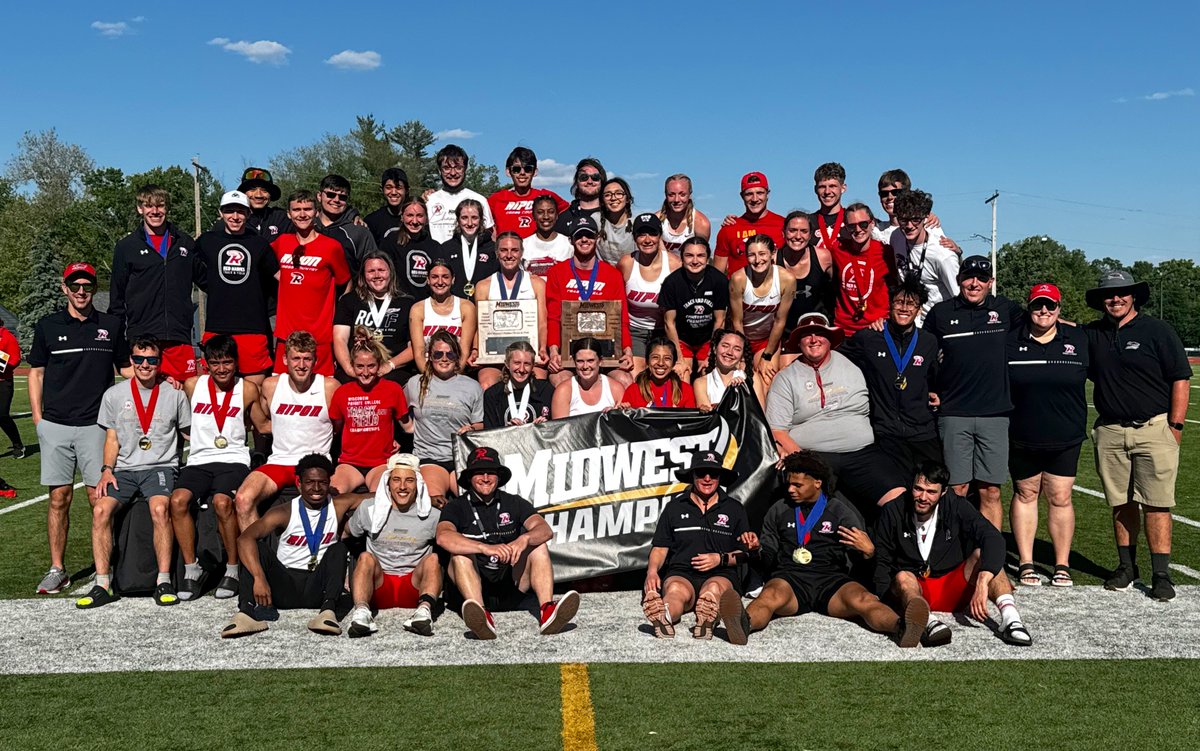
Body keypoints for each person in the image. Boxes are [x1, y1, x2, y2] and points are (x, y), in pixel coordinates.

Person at [718, 450, 927, 648]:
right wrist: (756, 550)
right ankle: (743, 624)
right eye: (789, 484)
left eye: (798, 485)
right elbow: (768, 559)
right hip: (790, 580)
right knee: (769, 595)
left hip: (831, 581)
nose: (790, 489)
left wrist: (869, 552)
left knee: (864, 600)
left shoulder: (840, 512)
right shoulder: (779, 509)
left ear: (817, 482)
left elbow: (864, 566)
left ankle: (902, 628)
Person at [1083, 270, 1191, 601]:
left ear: (1133, 297)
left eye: (1122, 293)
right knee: (1121, 503)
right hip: (1110, 430)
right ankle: (1127, 568)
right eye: (1109, 294)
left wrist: (1175, 427)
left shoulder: (1157, 330)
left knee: (1157, 504)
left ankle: (1161, 574)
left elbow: (1180, 377)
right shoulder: (1093, 333)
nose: (1115, 299)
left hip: (1153, 428)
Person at [29, 263, 130, 595]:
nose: (81, 291)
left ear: (93, 289)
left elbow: (126, 368)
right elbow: (37, 373)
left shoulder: (111, 325)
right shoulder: (48, 326)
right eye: (75, 286)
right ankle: (57, 569)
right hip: (56, 425)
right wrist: (38, 418)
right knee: (59, 498)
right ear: (65, 288)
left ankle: (110, 566)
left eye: (87, 285)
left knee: (98, 499)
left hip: (95, 426)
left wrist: (159, 379)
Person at [75, 338, 192, 609]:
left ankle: (164, 581)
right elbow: (112, 438)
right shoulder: (114, 395)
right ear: (131, 361)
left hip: (160, 467)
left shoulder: (174, 393)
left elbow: (189, 432)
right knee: (100, 510)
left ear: (159, 362)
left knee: (160, 508)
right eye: (139, 359)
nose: (145, 365)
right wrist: (107, 470)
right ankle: (102, 583)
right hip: (125, 470)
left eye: (151, 360)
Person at [872, 460, 1032, 646]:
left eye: (931, 492)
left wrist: (983, 580)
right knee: (902, 576)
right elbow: (882, 560)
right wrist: (886, 601)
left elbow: (992, 537)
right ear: (911, 486)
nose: (923, 497)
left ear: (943, 492)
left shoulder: (956, 505)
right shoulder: (893, 510)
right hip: (915, 591)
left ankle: (1011, 619)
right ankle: (926, 621)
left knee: (984, 556)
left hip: (953, 587)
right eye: (918, 489)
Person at [767, 313, 906, 515]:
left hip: (861, 452)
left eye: (820, 333)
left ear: (830, 338)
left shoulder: (853, 363)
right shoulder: (786, 378)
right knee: (819, 506)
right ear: (798, 342)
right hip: (814, 454)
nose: (813, 339)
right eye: (806, 335)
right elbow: (777, 430)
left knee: (898, 498)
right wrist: (804, 460)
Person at [436, 446, 580, 639]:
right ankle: (481, 617)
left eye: (491, 473)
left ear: (499, 477)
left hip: (509, 585)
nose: (485, 478)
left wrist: (524, 539)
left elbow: (544, 530)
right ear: (469, 477)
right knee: (459, 555)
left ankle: (547, 611)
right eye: (479, 472)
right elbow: (443, 536)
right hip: (472, 589)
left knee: (538, 546)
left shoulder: (514, 502)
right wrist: (484, 548)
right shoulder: (456, 506)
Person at [922, 255, 1024, 529]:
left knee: (990, 491)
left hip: (995, 414)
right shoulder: (941, 313)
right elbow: (922, 354)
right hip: (954, 413)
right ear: (959, 280)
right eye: (968, 277)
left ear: (991, 282)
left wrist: (1077, 331)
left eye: (981, 278)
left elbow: (1042, 324)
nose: (974, 283)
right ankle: (954, 546)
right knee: (957, 489)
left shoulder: (1005, 309)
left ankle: (990, 548)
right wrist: (930, 389)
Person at [170, 335, 272, 601]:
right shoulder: (193, 385)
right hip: (199, 460)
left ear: (236, 363)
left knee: (222, 502)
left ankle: (233, 568)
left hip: (233, 460)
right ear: (206, 364)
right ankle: (191, 568)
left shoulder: (247, 389)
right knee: (178, 501)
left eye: (227, 362)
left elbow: (263, 425)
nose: (221, 369)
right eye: (215, 363)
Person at [1006, 283, 1089, 587]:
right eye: (1038, 305)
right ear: (1028, 308)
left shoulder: (1079, 339)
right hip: (1022, 435)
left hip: (1065, 436)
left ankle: (1061, 564)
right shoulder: (1010, 341)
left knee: (1060, 497)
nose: (1044, 310)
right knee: (1026, 494)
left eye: (1050, 305)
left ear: (1059, 309)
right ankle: (1026, 562)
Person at [221, 454, 356, 638]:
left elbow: (376, 497)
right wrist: (259, 577)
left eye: (322, 482)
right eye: (310, 482)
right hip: (285, 585)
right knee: (256, 548)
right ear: (299, 483)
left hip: (318, 588)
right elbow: (244, 539)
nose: (316, 488)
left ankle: (328, 612)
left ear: (329, 483)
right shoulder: (283, 512)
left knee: (338, 549)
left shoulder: (338, 505)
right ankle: (246, 613)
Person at [642, 450, 754, 640]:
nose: (707, 479)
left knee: (712, 590)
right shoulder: (674, 507)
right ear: (692, 476)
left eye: (713, 474)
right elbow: (660, 547)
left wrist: (720, 559)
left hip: (721, 573)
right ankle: (663, 615)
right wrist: (652, 572)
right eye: (701, 473)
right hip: (681, 572)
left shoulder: (735, 509)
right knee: (675, 591)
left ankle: (707, 618)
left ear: (720, 477)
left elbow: (746, 554)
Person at [233, 331, 337, 531]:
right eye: (296, 358)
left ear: (315, 361)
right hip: (280, 461)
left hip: (315, 462)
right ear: (284, 360)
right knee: (243, 499)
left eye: (307, 359)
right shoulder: (271, 386)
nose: (301, 365)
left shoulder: (329, 387)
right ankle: (257, 551)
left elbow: (340, 426)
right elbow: (264, 424)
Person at [840, 277, 942, 477]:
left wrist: (937, 394)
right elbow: (833, 356)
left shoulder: (928, 341)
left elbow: (935, 378)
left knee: (932, 484)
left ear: (919, 309)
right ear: (890, 305)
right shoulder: (869, 338)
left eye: (911, 304)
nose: (904, 308)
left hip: (922, 431)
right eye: (899, 302)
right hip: (885, 432)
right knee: (895, 486)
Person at [346, 453, 444, 637]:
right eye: (396, 480)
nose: (402, 486)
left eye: (409, 480)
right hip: (378, 586)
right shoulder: (368, 509)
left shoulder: (433, 515)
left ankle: (424, 613)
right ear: (387, 483)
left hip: (414, 587)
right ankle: (361, 613)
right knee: (365, 557)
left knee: (433, 559)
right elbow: (346, 534)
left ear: (418, 484)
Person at [109, 184, 199, 382]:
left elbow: (209, 281)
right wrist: (119, 345)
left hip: (178, 336)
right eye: (149, 206)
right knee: (147, 397)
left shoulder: (185, 243)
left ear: (167, 208)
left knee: (184, 393)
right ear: (140, 208)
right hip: (143, 338)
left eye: (160, 205)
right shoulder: (126, 247)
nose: (155, 211)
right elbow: (117, 299)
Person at [195, 190, 279, 384]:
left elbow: (278, 277)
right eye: (229, 211)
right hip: (217, 327)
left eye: (240, 211)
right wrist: (213, 285)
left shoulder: (259, 243)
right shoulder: (207, 241)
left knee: (253, 391)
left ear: (248, 213)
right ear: (221, 213)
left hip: (253, 328)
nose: (235, 216)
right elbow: (190, 267)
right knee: (214, 391)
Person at [544, 215, 635, 388]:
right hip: (569, 354)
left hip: (604, 354)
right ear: (571, 240)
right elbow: (554, 317)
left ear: (597, 238)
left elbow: (621, 318)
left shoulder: (612, 274)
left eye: (589, 235)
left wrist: (627, 350)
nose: (584, 239)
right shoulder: (557, 272)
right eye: (579, 236)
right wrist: (554, 351)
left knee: (625, 380)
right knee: (560, 380)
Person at [271, 189, 352, 376]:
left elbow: (346, 282)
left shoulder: (331, 246)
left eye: (307, 209)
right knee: (280, 389)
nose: (302, 214)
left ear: (316, 212)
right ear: (288, 214)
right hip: (286, 335)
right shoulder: (281, 242)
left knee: (322, 390)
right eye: (296, 209)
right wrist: (281, 277)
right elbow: (260, 259)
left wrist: (341, 315)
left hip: (319, 336)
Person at [330, 329, 415, 495]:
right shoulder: (342, 392)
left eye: (371, 366)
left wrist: (397, 441)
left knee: (379, 496)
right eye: (360, 366)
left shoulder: (392, 389)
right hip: (350, 463)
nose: (366, 372)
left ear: (379, 365)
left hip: (380, 463)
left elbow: (408, 427)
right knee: (334, 494)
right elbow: (335, 429)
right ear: (352, 365)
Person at [404, 331, 484, 498]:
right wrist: (408, 427)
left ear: (458, 356)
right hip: (429, 456)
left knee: (471, 498)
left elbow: (480, 423)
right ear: (430, 356)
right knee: (435, 498)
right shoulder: (415, 383)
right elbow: (397, 408)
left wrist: (472, 428)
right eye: (438, 354)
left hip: (461, 456)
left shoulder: (472, 386)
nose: (444, 358)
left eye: (450, 354)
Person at [472, 232, 548, 390]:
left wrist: (542, 347)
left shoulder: (536, 283)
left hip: (527, 354)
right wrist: (475, 350)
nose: (509, 255)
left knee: (539, 382)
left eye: (514, 250)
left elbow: (542, 323)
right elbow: (480, 326)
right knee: (486, 384)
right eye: (503, 250)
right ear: (496, 253)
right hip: (496, 357)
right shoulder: (483, 286)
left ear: (521, 253)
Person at [333, 251, 416, 385]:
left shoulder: (407, 303)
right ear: (363, 275)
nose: (377, 275)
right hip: (356, 371)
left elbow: (416, 346)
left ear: (391, 272)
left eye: (381, 270)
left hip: (393, 371)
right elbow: (339, 338)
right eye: (371, 271)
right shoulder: (349, 301)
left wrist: (390, 365)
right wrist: (349, 368)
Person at [729, 234, 795, 402]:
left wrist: (766, 356)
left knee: (766, 380)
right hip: (741, 337)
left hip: (766, 340)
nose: (757, 260)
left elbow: (780, 321)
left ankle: (763, 418)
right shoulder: (738, 279)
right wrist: (741, 353)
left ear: (773, 253)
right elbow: (737, 321)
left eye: (762, 254)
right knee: (738, 379)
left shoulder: (787, 279)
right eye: (752, 255)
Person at [659, 237, 729, 382]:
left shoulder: (719, 281)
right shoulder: (671, 282)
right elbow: (669, 323)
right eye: (689, 255)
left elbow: (720, 320)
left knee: (709, 374)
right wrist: (679, 359)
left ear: (707, 259)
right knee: (681, 374)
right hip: (681, 339)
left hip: (708, 338)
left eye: (700, 255)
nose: (695, 261)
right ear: (682, 258)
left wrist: (711, 355)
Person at [619, 213, 680, 373]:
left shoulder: (674, 264)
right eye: (641, 234)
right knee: (635, 374)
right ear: (634, 237)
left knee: (670, 373)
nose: (647, 240)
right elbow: (617, 302)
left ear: (660, 236)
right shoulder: (626, 263)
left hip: (665, 330)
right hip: (635, 331)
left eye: (652, 234)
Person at [888, 189, 959, 323]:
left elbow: (959, 296)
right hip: (910, 320)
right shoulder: (896, 237)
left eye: (915, 219)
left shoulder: (942, 255)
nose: (909, 226)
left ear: (925, 217)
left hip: (938, 322)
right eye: (903, 220)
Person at [828, 203, 895, 336]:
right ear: (846, 228)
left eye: (863, 224)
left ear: (872, 223)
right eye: (852, 226)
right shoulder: (837, 250)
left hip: (876, 328)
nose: (858, 230)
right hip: (844, 329)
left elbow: (896, 286)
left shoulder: (885, 251)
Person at [408, 259, 478, 372]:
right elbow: (419, 352)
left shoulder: (466, 307)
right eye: (434, 277)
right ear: (428, 280)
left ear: (453, 279)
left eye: (445, 277)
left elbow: (464, 351)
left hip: (456, 371)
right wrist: (429, 377)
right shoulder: (418, 309)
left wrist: (454, 376)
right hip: (427, 371)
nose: (440, 282)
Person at [713, 171, 784, 276]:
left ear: (767, 194)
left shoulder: (784, 225)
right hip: (739, 286)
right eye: (749, 194)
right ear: (742, 196)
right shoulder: (729, 229)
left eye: (760, 193)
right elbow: (716, 276)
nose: (755, 199)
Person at [488, 146, 569, 238]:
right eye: (516, 169)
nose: (522, 173)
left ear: (535, 172)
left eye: (528, 169)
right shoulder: (496, 199)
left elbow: (570, 215)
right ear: (508, 172)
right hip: (508, 247)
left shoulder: (546, 196)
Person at [426, 144, 495, 243]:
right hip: (437, 253)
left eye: (458, 168)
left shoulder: (480, 200)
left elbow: (491, 234)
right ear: (439, 170)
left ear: (465, 169)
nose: (453, 173)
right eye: (446, 168)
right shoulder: (429, 200)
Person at [777, 211, 833, 327]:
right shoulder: (773, 260)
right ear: (783, 233)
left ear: (810, 235)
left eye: (804, 231)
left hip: (817, 327)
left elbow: (837, 290)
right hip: (784, 328)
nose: (798, 236)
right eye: (792, 230)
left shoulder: (823, 257)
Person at [314, 174, 379, 275]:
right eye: (331, 195)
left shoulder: (359, 232)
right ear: (319, 196)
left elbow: (373, 268)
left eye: (342, 197)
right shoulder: (306, 227)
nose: (336, 200)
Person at [483, 342, 554, 428]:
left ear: (533, 366)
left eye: (527, 364)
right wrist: (507, 430)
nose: (521, 369)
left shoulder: (546, 391)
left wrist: (542, 428)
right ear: (507, 364)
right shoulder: (493, 395)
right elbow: (490, 433)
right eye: (517, 363)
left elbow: (556, 429)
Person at [436, 199, 497, 299]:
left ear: (481, 219)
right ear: (458, 220)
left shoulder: (492, 248)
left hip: (483, 304)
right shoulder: (446, 248)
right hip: (455, 305)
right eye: (464, 218)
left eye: (474, 218)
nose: (469, 223)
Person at [382, 198, 440, 301]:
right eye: (410, 215)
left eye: (419, 216)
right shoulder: (390, 242)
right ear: (402, 217)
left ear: (426, 218)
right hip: (398, 302)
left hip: (426, 304)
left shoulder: (434, 246)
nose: (415, 221)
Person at [551, 339, 625, 418]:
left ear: (600, 361)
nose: (585, 366)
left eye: (590, 361)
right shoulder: (564, 391)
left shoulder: (615, 389)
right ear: (574, 362)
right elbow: (560, 425)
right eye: (580, 361)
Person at [619, 337, 696, 408]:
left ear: (673, 363)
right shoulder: (633, 391)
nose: (661, 363)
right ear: (647, 361)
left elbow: (691, 417)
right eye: (655, 357)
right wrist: (624, 410)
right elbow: (624, 416)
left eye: (667, 358)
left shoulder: (685, 390)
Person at [693, 329, 753, 412]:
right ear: (714, 348)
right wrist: (729, 392)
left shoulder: (752, 378)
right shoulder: (701, 383)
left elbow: (758, 415)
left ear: (742, 355)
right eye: (725, 346)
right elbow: (708, 417)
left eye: (737, 349)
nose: (730, 352)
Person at [656, 173, 711, 256]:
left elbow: (701, 256)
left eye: (682, 194)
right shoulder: (656, 220)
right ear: (665, 195)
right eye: (671, 195)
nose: (676, 200)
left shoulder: (701, 223)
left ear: (690, 195)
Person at [523, 194, 573, 278]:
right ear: (533, 216)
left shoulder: (569, 244)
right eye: (540, 212)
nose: (546, 216)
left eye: (551, 212)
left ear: (557, 215)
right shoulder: (523, 245)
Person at [233, 167, 291, 238]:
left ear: (271, 194)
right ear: (243, 193)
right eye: (252, 189)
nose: (258, 195)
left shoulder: (282, 218)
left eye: (264, 190)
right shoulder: (232, 220)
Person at [554, 158, 605, 235]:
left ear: (602, 182)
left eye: (595, 177)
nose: (590, 181)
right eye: (584, 177)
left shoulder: (611, 215)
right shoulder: (563, 218)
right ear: (576, 182)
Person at [364, 167, 410, 244]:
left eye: (398, 187)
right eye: (389, 188)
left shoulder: (416, 219)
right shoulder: (372, 221)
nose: (394, 192)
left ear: (407, 190)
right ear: (382, 190)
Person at [810, 162, 848, 254]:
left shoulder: (853, 221)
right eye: (822, 187)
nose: (827, 191)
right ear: (815, 189)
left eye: (832, 186)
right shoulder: (807, 222)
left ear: (843, 188)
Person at [597, 177, 635, 265]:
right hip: (604, 272)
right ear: (602, 201)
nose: (613, 198)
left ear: (627, 199)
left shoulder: (635, 224)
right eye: (607, 195)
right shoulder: (596, 220)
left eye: (619, 193)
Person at [0, 321, 23, 459]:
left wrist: (3, 366)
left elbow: (15, 359)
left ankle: (17, 444)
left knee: (2, 415)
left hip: (3, 381)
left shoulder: (7, 337)